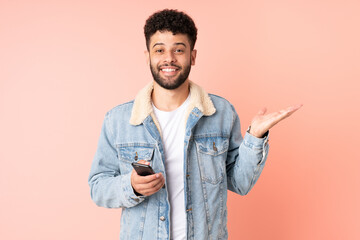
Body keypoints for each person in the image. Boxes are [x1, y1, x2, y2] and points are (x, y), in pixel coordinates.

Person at [88, 9, 302, 240]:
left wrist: (255, 137)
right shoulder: (118, 120)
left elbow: (240, 183)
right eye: (159, 50)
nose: (169, 58)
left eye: (179, 50)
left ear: (193, 56)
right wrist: (131, 185)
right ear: (147, 56)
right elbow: (98, 188)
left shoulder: (221, 113)